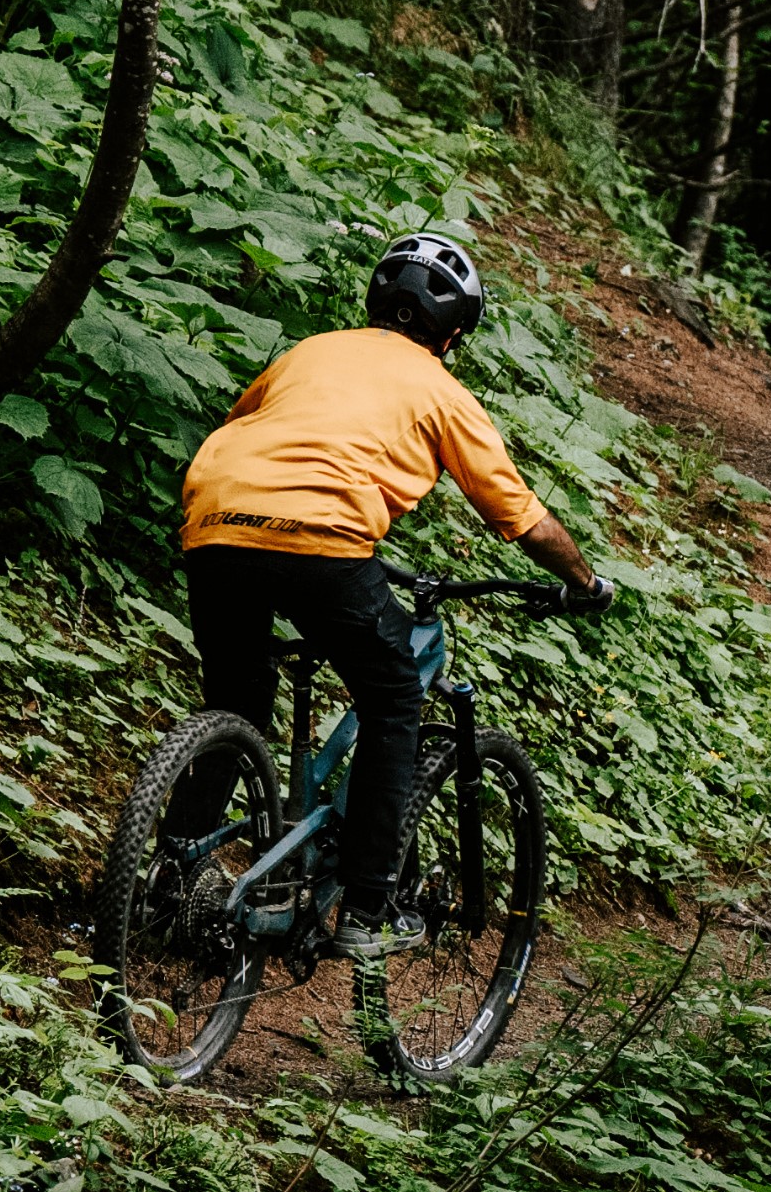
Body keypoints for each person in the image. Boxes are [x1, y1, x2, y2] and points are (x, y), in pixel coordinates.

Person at [174, 231, 605, 950]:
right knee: (394, 698)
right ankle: (367, 913)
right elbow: (521, 518)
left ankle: (170, 876)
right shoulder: (441, 390)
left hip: (215, 524)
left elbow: (245, 428)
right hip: (324, 541)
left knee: (236, 700)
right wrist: (585, 582)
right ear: (455, 332)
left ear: (374, 303)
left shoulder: (308, 352)